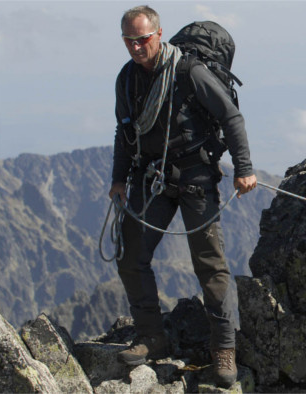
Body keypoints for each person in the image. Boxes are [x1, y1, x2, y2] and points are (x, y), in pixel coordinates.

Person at [108, 5, 256, 388]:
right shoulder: (126, 81)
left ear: (159, 34)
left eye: (142, 38)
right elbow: (124, 132)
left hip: (194, 175)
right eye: (129, 40)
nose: (137, 47)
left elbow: (230, 118)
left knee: (210, 264)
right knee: (130, 254)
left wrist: (244, 169)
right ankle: (151, 336)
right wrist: (119, 179)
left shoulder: (190, 72)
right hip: (150, 175)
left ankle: (224, 348)